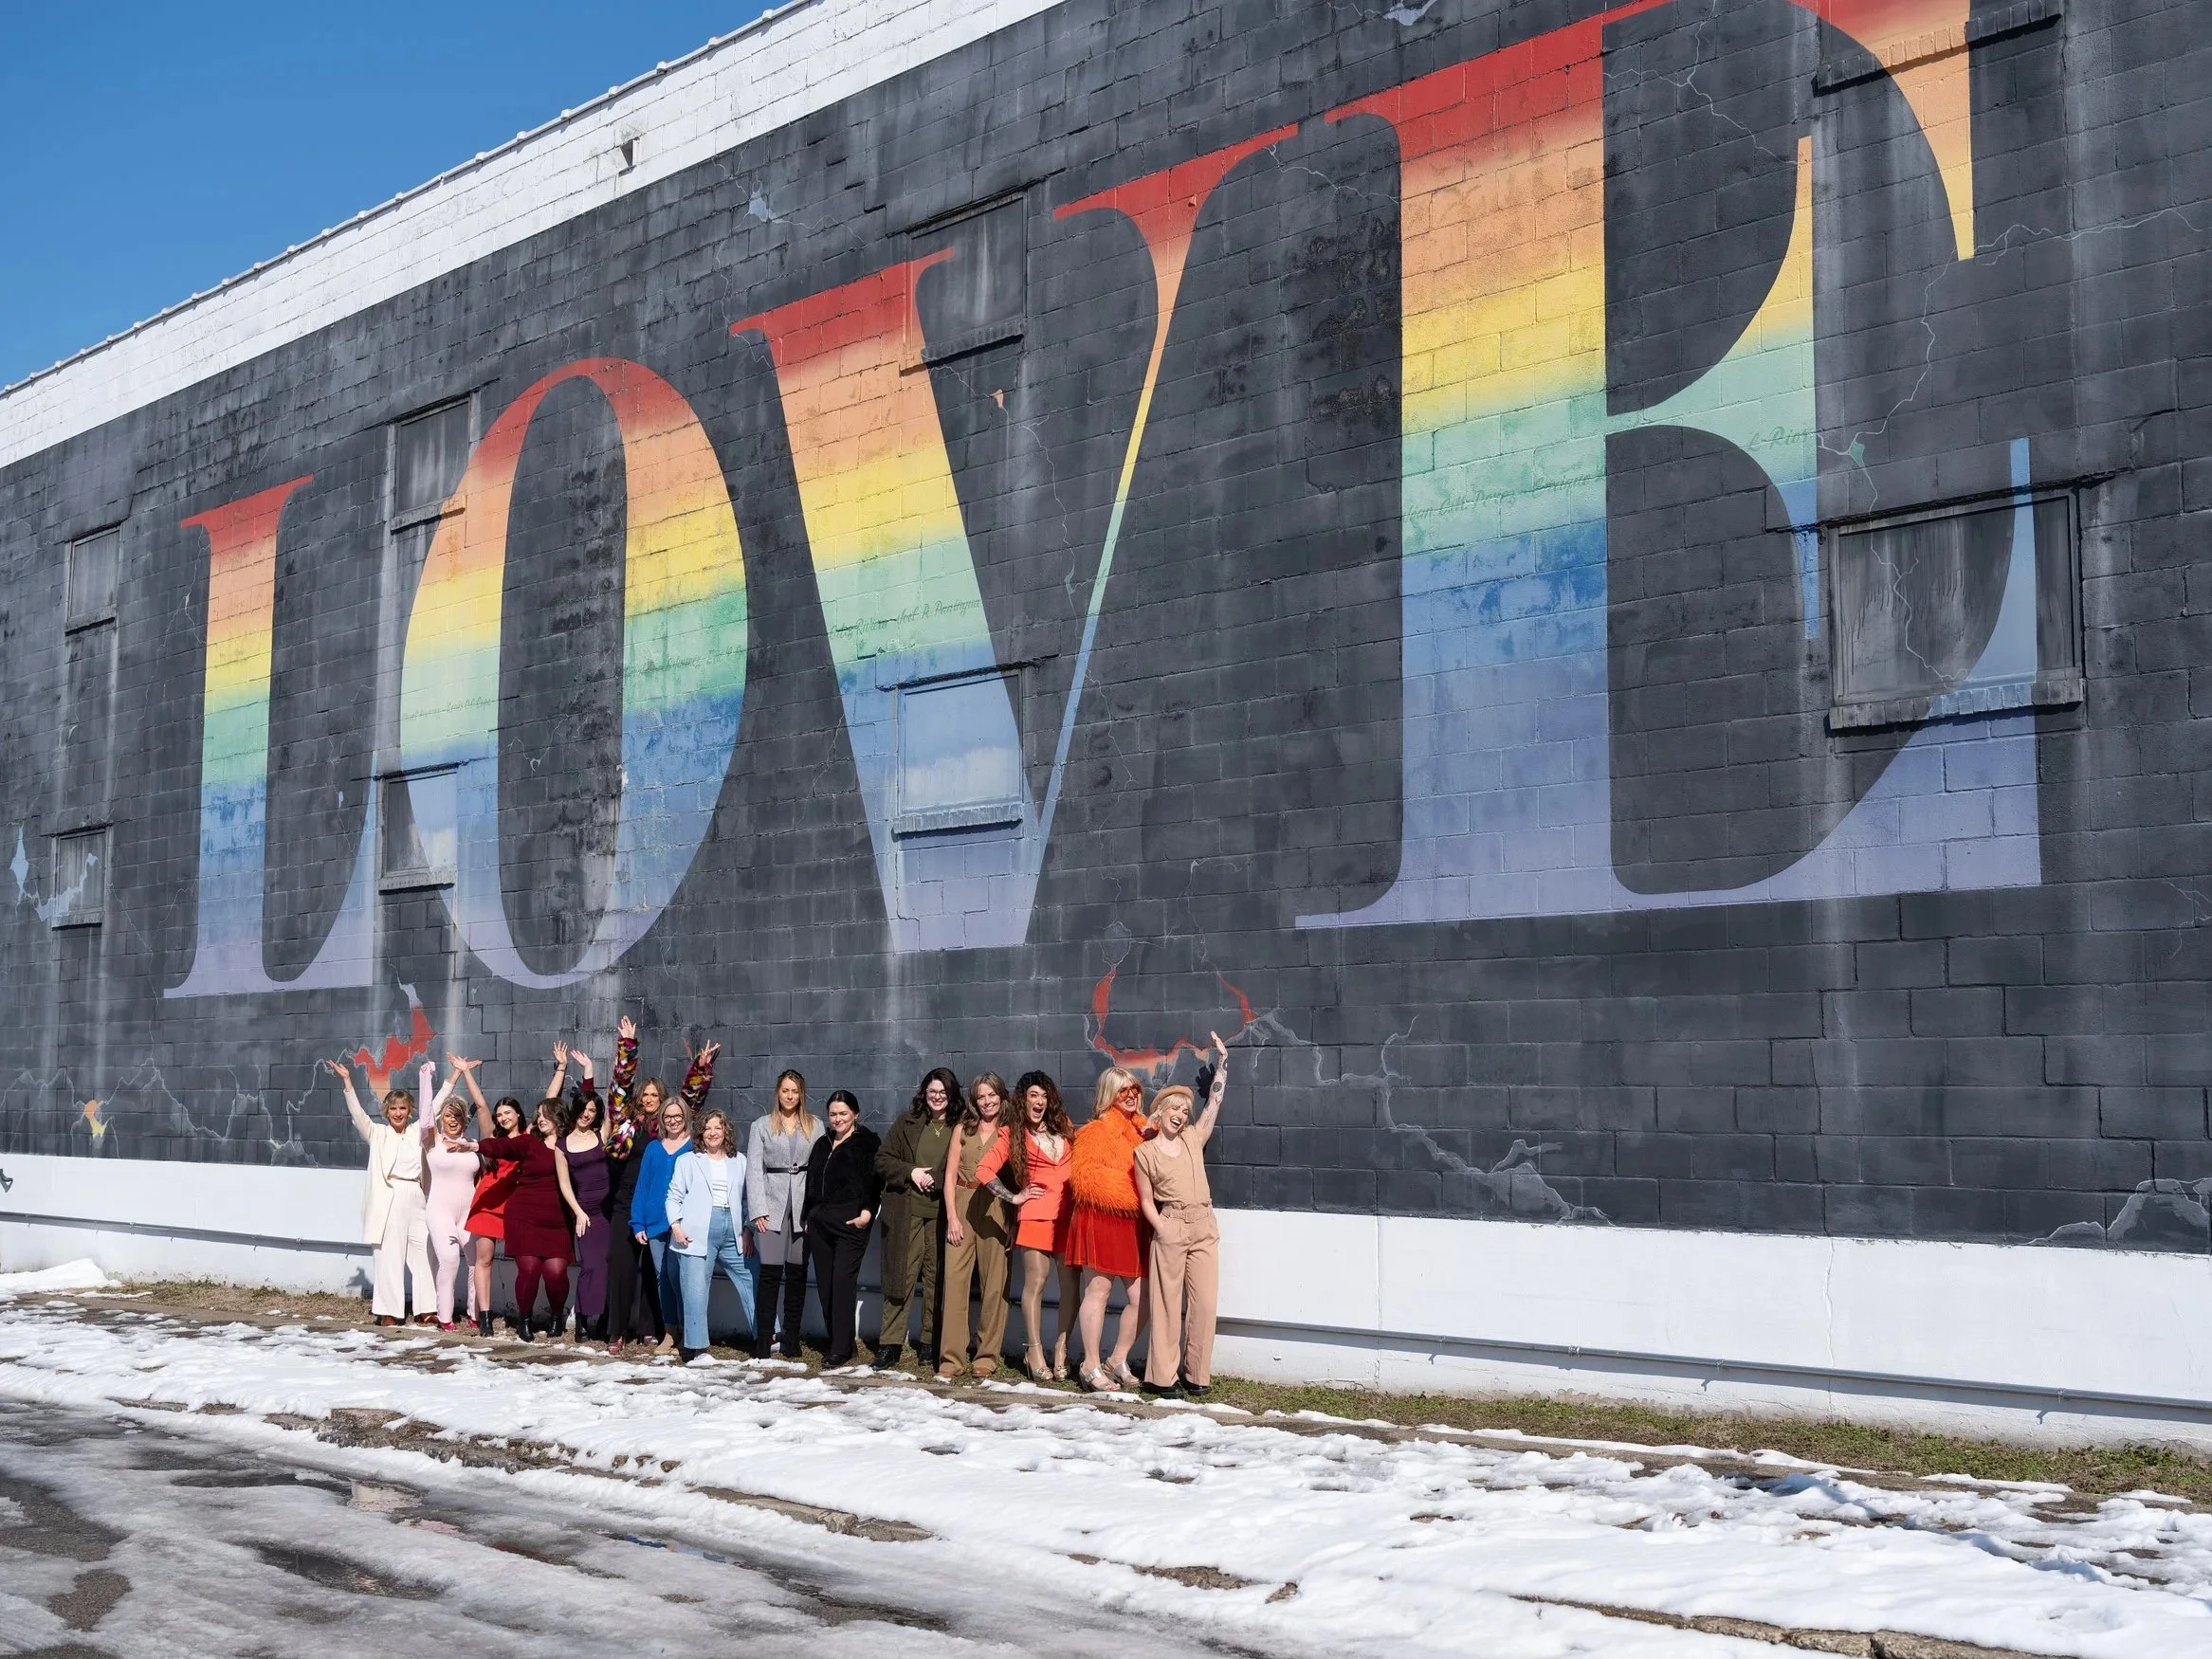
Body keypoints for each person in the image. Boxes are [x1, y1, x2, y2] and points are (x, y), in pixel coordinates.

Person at [1134, 1035, 1229, 1399]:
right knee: (1167, 1305)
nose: (1181, 1114)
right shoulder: (1145, 1153)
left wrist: (1223, 1064)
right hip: (1169, 1224)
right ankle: (1162, 1377)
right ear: (1159, 1112)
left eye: (1184, 1111)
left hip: (1204, 1225)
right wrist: (1162, 1228)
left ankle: (1196, 1374)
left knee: (1204, 1304)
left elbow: (1214, 1103)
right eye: (1174, 1108)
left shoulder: (1193, 1138)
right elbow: (1145, 1200)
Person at [330, 1058, 450, 1327]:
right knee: (388, 1255)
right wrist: (347, 1081)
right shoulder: (377, 1133)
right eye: (393, 1108)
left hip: (416, 1195)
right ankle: (389, 1311)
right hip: (389, 1195)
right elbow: (358, 1115)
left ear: (409, 1111)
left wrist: (453, 1077)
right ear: (387, 1111)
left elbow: (435, 1107)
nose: (398, 1113)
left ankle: (426, 1308)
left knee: (423, 1251)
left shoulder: (417, 1132)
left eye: (403, 1108)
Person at [457, 1045, 566, 1338]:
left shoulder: (532, 1137)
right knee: (485, 1258)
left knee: (530, 1264)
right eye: (499, 1113)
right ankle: (484, 1316)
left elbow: (549, 1100)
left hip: (520, 1204)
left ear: (519, 1114)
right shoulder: (494, 1137)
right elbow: (480, 1106)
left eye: (507, 1112)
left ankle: (530, 1315)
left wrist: (561, 1069)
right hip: (491, 1200)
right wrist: (466, 1072)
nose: (502, 1116)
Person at [625, 1038, 721, 1354]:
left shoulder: (694, 1148)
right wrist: (637, 1221)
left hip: (685, 1223)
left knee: (685, 1280)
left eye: (678, 1117)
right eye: (668, 1117)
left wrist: (703, 1067)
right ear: (662, 1120)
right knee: (663, 1279)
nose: (673, 1121)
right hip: (655, 1224)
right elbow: (643, 1186)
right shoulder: (653, 1147)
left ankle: (690, 1332)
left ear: (686, 1119)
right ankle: (669, 1332)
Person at [477, 1095, 592, 1341]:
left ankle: (556, 1316)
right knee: (529, 1270)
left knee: (556, 1272)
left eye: (545, 1115)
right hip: (524, 1216)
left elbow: (589, 1110)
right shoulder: (529, 1142)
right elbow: (504, 1147)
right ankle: (524, 1320)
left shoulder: (570, 1144)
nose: (540, 1119)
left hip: (558, 1219)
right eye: (538, 1115)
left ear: (558, 1116)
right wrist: (477, 1146)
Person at [1068, 1066, 1152, 1392]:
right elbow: (1085, 1179)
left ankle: (1117, 1358)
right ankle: (1089, 1365)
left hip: (1132, 1222)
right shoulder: (1095, 1131)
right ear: (1109, 1094)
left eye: (1134, 1089)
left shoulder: (1145, 1130)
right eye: (1122, 1090)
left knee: (1142, 1296)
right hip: (1101, 1218)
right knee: (1098, 1291)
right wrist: (1138, 1190)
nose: (1130, 1095)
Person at [872, 1066, 960, 1368]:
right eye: (932, 1091)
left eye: (943, 1092)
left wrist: (934, 1176)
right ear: (924, 1092)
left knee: (937, 1280)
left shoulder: (961, 1125)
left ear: (951, 1094)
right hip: (906, 1213)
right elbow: (882, 1160)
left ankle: (929, 1343)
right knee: (902, 1277)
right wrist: (911, 1172)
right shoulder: (907, 1122)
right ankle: (890, 1344)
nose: (937, 1097)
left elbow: (963, 1165)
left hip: (942, 1215)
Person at [936, 1071, 1014, 1378]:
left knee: (995, 1284)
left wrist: (1015, 1221)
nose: (987, 1101)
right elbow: (950, 1175)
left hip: (997, 1206)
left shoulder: (1011, 1130)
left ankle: (986, 1356)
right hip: (964, 1199)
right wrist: (952, 1217)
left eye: (992, 1094)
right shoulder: (962, 1129)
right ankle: (951, 1359)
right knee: (955, 1282)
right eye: (981, 1096)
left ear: (1001, 1095)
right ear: (974, 1100)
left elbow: (1019, 1177)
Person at [1004, 1070, 1078, 1381]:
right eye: (1033, 1095)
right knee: (1036, 1282)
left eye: (1044, 1096)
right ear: (1023, 1099)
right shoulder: (1013, 1133)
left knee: (1071, 1286)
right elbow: (984, 1170)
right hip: (1034, 1216)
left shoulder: (1064, 1127)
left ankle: (1061, 1349)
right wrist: (1014, 1196)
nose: (1039, 1101)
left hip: (1067, 1216)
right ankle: (1033, 1350)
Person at [666, 1106, 755, 1360]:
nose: (713, 1132)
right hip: (695, 1231)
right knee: (695, 1288)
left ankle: (768, 1335)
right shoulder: (688, 1161)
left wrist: (748, 1229)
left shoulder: (740, 1160)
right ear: (701, 1133)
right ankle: (697, 1348)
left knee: (751, 1276)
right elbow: (673, 1196)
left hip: (734, 1229)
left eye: (718, 1127)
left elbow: (748, 1199)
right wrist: (676, 1226)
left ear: (726, 1131)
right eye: (708, 1128)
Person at [746, 1069, 823, 1359]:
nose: (790, 1096)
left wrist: (815, 1210)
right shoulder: (761, 1125)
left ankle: (792, 1338)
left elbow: (818, 1168)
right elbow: (754, 1170)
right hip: (771, 1207)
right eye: (785, 1091)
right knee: (769, 1274)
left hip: (802, 1209)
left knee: (797, 1275)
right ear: (777, 1092)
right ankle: (764, 1339)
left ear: (801, 1094)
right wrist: (757, 1210)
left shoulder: (814, 1125)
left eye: (795, 1091)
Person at [802, 1090, 881, 1368]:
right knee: (825, 1285)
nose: (838, 1119)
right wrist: (807, 1216)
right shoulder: (823, 1143)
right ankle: (840, 1339)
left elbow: (874, 1180)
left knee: (842, 1283)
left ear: (855, 1114)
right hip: (821, 1222)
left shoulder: (866, 1143)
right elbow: (811, 1181)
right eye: (833, 1114)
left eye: (843, 1113)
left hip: (851, 1222)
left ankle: (840, 1349)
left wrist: (867, 1213)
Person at [601, 1017, 661, 1351]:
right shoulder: (626, 1123)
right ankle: (617, 1332)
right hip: (624, 1201)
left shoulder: (668, 1127)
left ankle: (649, 1328)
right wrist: (627, 1046)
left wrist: (701, 1068)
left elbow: (691, 1102)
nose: (650, 1099)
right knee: (621, 1267)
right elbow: (619, 1087)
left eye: (656, 1095)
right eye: (646, 1094)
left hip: (657, 1205)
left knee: (653, 1269)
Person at [560, 1052, 612, 1343]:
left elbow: (608, 1097)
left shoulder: (602, 1133)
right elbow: (565, 1184)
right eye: (583, 1109)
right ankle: (582, 1319)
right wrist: (578, 1212)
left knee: (609, 1264)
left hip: (610, 1211)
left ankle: (605, 1318)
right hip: (586, 1212)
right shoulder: (562, 1144)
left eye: (592, 1111)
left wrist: (590, 1070)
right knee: (590, 1266)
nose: (587, 1114)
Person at [420, 1089, 482, 1332]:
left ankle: (475, 1314)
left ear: (465, 1119)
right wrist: (426, 1081)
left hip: (468, 1211)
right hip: (439, 1210)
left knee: (477, 1260)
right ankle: (445, 1317)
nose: (453, 1119)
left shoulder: (471, 1144)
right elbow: (426, 1117)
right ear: (441, 1119)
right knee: (449, 1259)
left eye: (457, 1115)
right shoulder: (431, 1141)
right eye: (448, 1115)